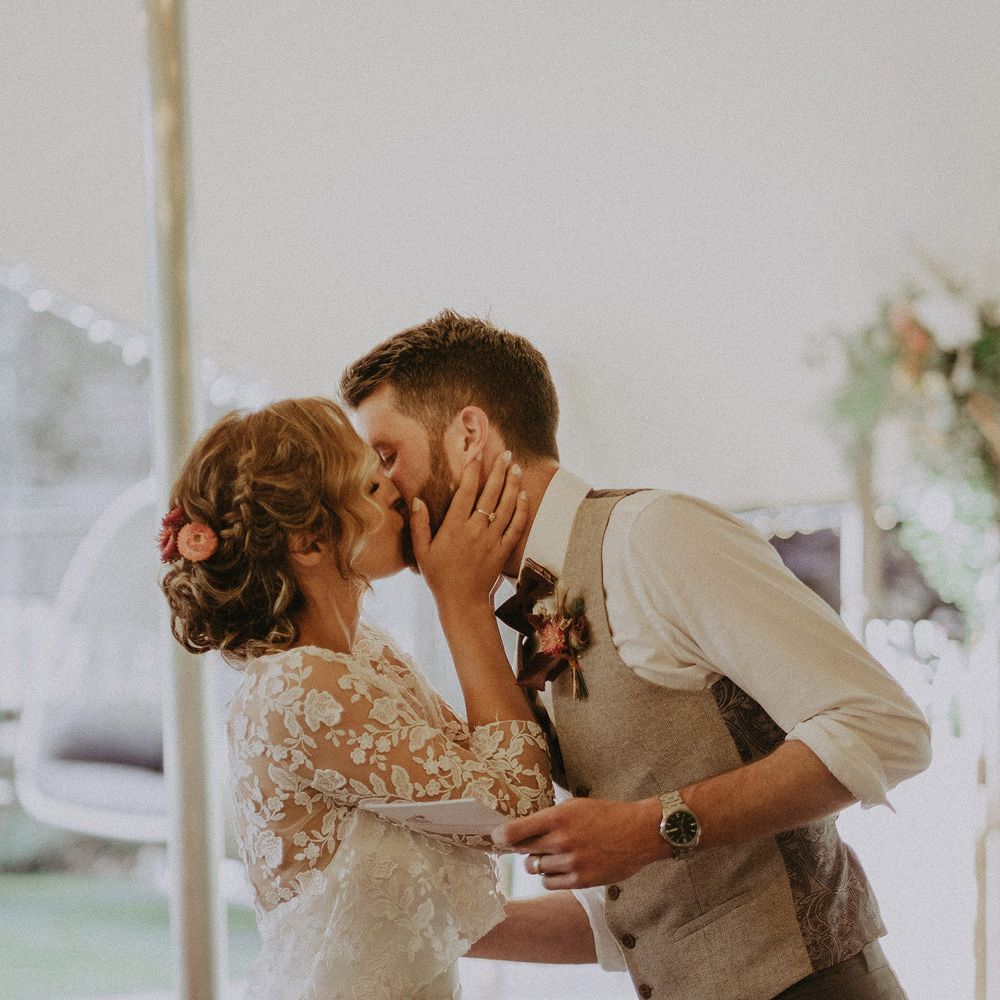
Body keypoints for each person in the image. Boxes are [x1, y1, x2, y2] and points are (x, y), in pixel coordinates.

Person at [340, 311, 933, 1000]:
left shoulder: (653, 536)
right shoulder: (523, 607)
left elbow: (883, 727)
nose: (381, 491)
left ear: (469, 435)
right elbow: (637, 919)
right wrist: (426, 925)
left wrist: (655, 828)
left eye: (387, 456)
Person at [158, 397, 559, 1000]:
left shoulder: (366, 654)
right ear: (310, 543)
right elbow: (518, 807)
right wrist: (461, 602)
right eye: (372, 484)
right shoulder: (300, 688)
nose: (399, 490)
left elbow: (490, 766)